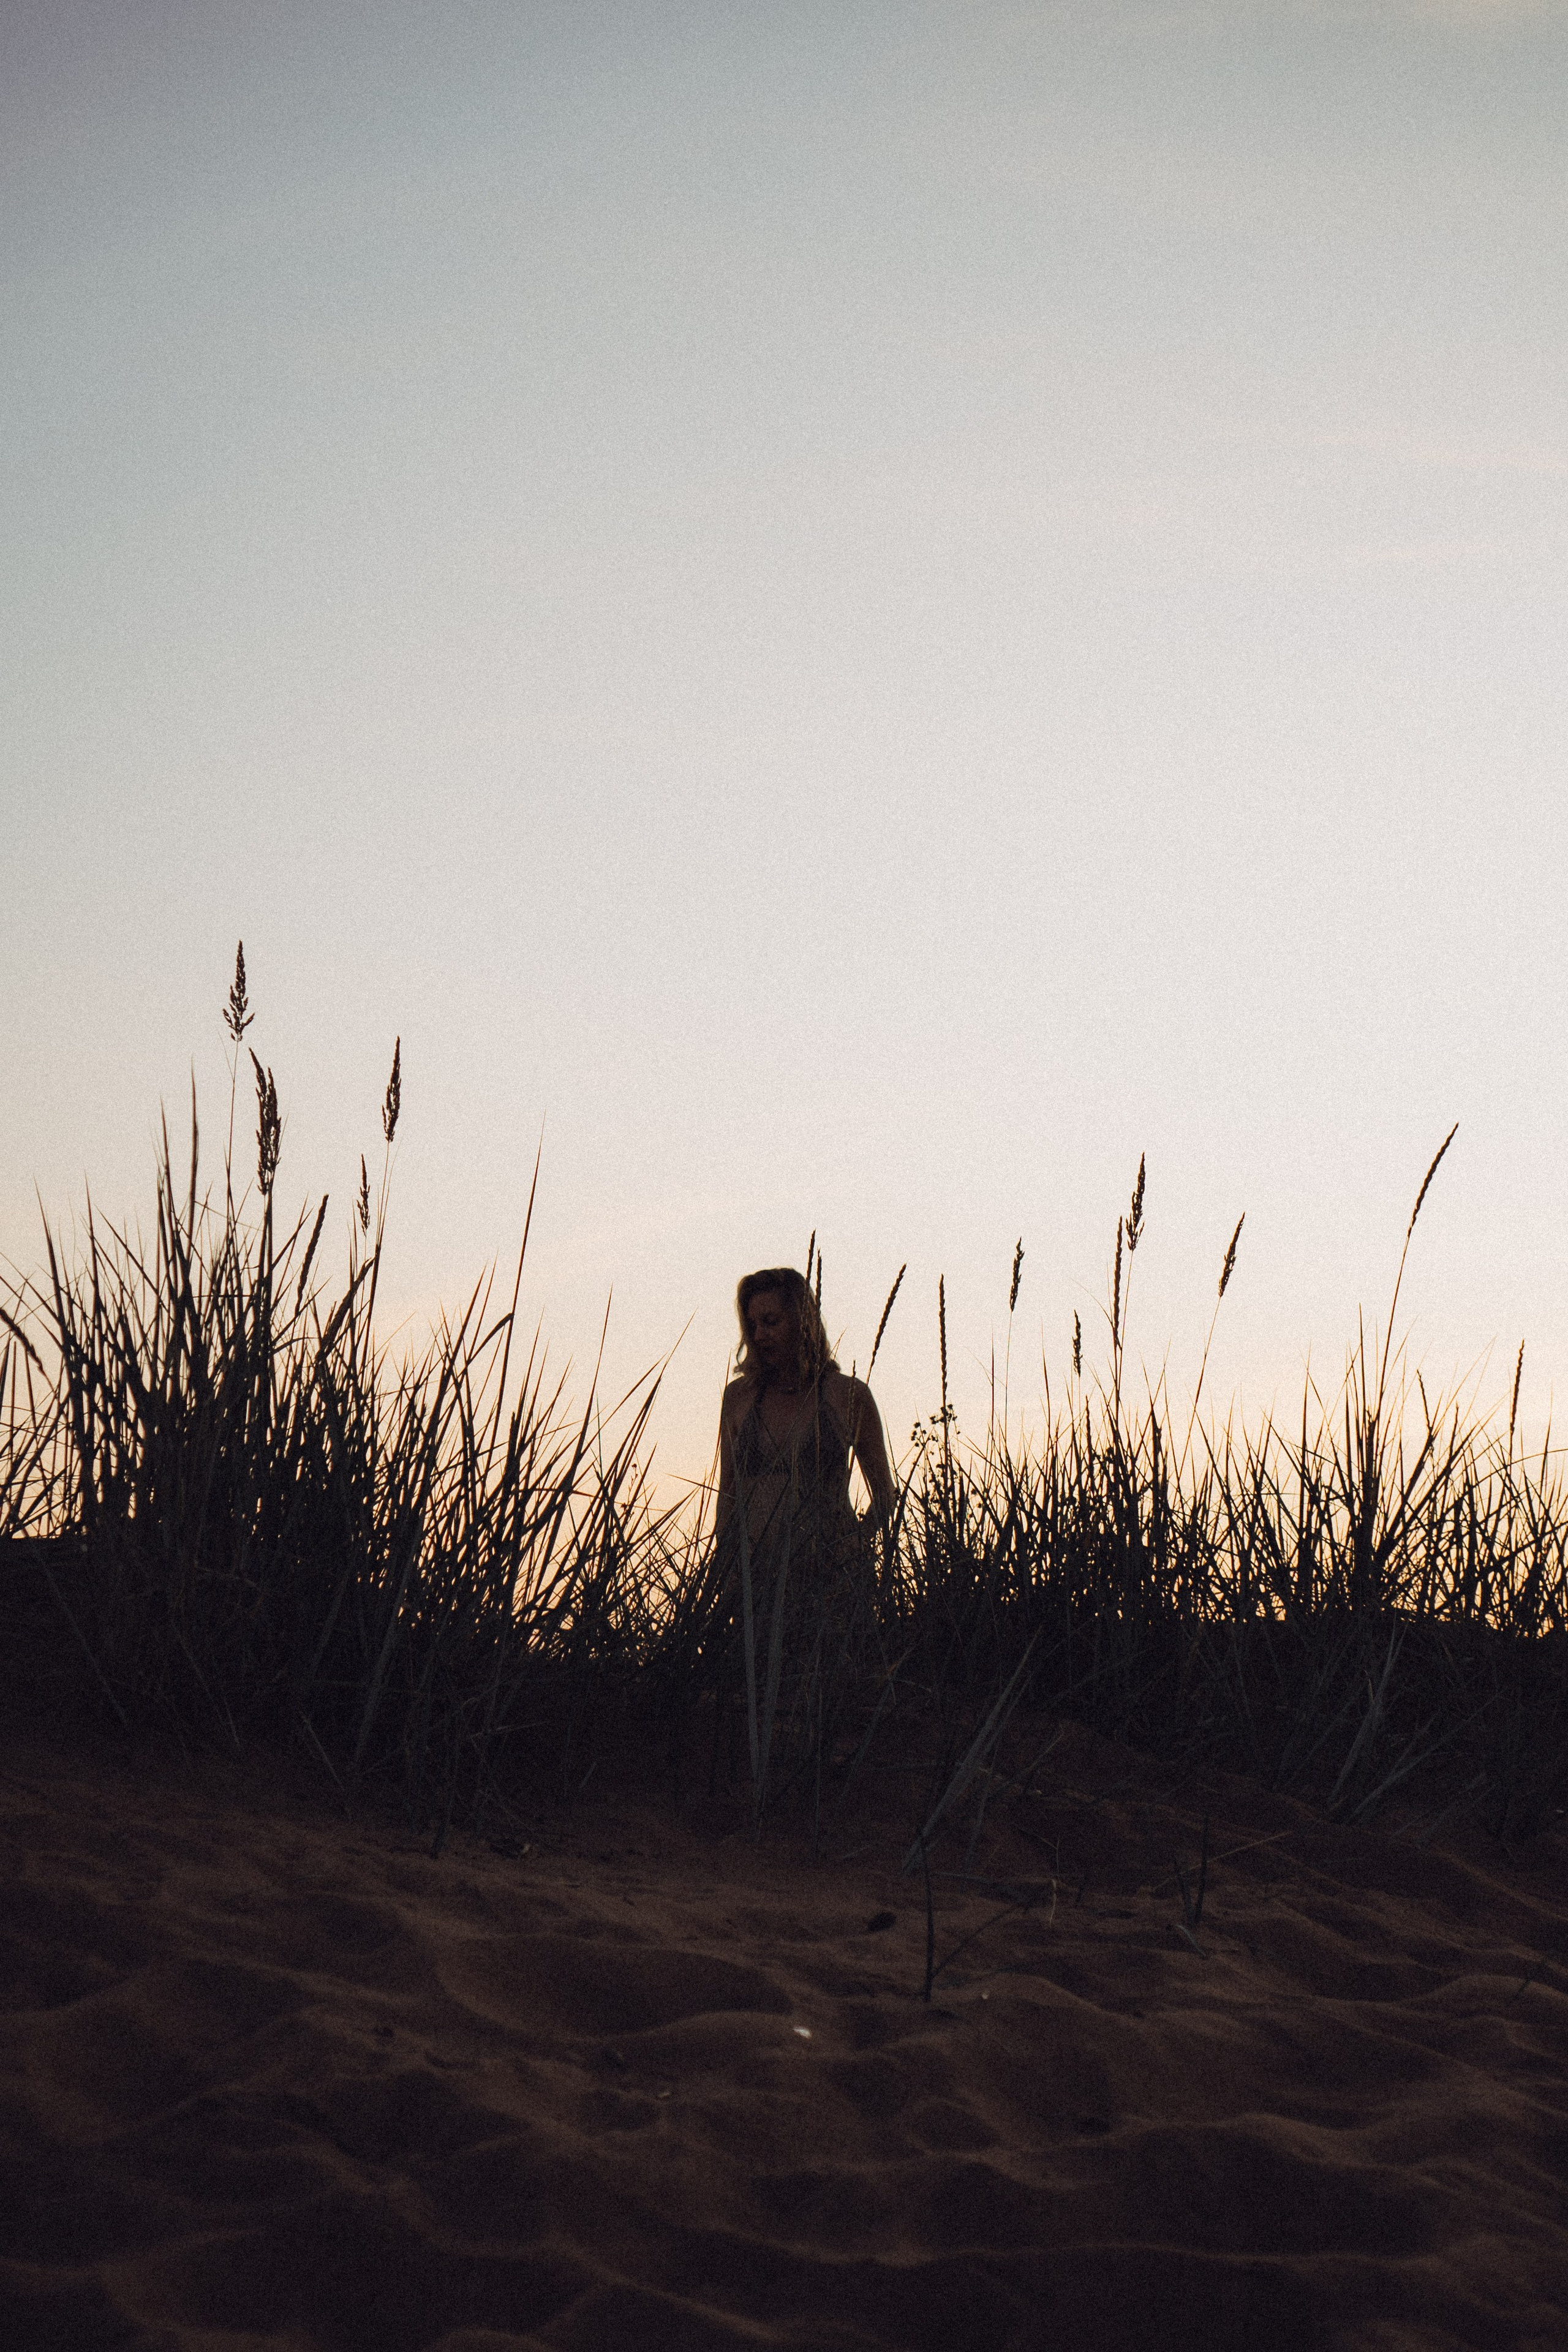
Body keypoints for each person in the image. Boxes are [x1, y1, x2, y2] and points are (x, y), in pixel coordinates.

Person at [714, 1267, 894, 1580]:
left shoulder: (848, 1395)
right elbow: (728, 1493)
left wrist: (855, 1547)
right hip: (756, 1581)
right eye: (752, 1325)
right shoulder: (739, 1398)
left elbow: (886, 1496)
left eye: (771, 1322)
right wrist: (728, 1565)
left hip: (831, 1586)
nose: (759, 1336)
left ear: (801, 1321)